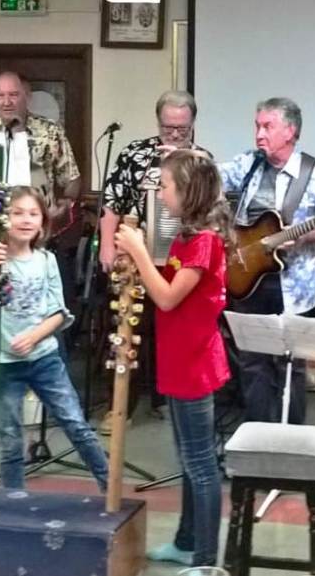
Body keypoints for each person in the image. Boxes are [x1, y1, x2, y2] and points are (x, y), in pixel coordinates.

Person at [0, 186, 108, 492]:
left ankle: (108, 487)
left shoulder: (45, 261)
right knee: (9, 435)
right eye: (17, 213)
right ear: (2, 219)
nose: (25, 220)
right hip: (3, 362)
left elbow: (60, 313)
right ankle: (14, 498)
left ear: (43, 222)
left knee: (75, 422)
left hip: (44, 358)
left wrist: (34, 336)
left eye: (33, 214)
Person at [113, 150, 231, 568]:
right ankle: (185, 542)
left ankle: (206, 558)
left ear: (188, 191)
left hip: (196, 365)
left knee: (201, 465)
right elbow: (161, 283)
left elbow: (166, 299)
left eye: (165, 187)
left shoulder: (205, 242)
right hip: (179, 361)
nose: (160, 196)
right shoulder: (185, 236)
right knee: (187, 460)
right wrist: (135, 261)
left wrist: (139, 251)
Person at [218, 97, 315, 424]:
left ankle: (291, 439)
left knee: (291, 365)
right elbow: (211, 178)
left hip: (294, 286)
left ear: (290, 131)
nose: (259, 134)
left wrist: (303, 236)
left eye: (267, 126)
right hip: (248, 279)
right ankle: (257, 433)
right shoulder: (249, 163)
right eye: (257, 125)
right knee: (252, 363)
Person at [96, 90, 210, 433]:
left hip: (182, 260)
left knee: (174, 332)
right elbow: (112, 203)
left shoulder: (201, 159)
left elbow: (211, 210)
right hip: (137, 255)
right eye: (168, 128)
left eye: (182, 129)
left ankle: (167, 399)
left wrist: (186, 158)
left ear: (192, 124)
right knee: (127, 329)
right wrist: (106, 246)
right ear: (158, 122)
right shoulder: (136, 154)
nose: (175, 135)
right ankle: (119, 407)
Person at [0, 71, 82, 304]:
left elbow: (72, 178)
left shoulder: (50, 131)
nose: (7, 101)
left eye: (13, 95)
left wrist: (65, 203)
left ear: (26, 97)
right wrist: (1, 173)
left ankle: (37, 340)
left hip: (37, 230)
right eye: (0, 95)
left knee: (39, 299)